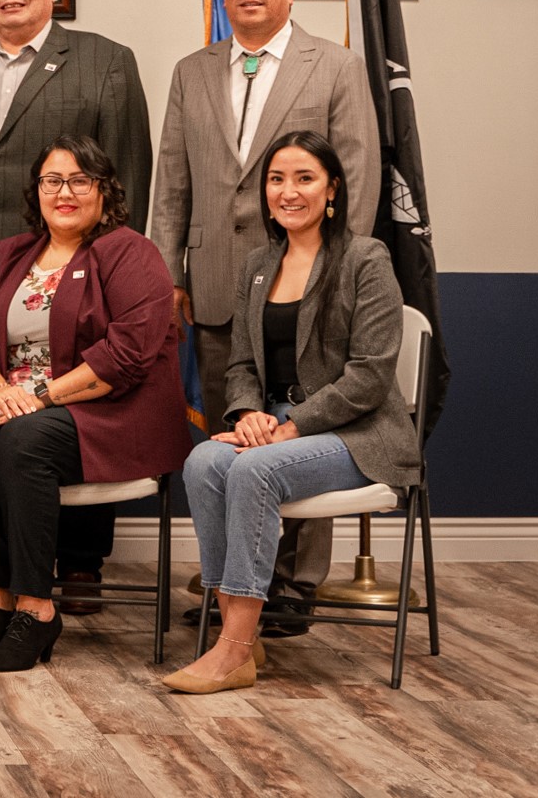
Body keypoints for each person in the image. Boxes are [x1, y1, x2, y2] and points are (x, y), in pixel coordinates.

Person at [150, 0, 380, 633]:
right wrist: (168, 274)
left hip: (307, 286)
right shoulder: (193, 70)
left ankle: (295, 585)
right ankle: (233, 583)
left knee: (299, 425)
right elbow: (172, 181)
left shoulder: (335, 66)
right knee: (234, 428)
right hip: (216, 281)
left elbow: (358, 174)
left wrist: (335, 272)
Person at [161, 131, 418, 693]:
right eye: (277, 179)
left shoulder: (365, 258)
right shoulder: (258, 265)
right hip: (277, 427)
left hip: (359, 433)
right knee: (204, 461)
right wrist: (249, 413)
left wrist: (291, 427)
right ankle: (242, 640)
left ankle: (229, 650)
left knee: (255, 468)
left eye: (304, 178)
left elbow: (370, 374)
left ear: (333, 190)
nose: (288, 191)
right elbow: (242, 365)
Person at [0, 0, 151, 610]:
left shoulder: (104, 62)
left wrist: (115, 263)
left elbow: (128, 175)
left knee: (76, 402)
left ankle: (81, 562)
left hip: (83, 271)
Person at [0, 136, 188, 671]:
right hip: (21, 407)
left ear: (104, 190)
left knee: (24, 439)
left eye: (81, 180)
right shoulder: (10, 254)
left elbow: (125, 356)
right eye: (53, 181)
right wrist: (2, 392)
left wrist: (35, 398)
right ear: (37, 191)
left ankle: (36, 610)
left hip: (112, 410)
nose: (66, 192)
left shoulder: (130, 252)